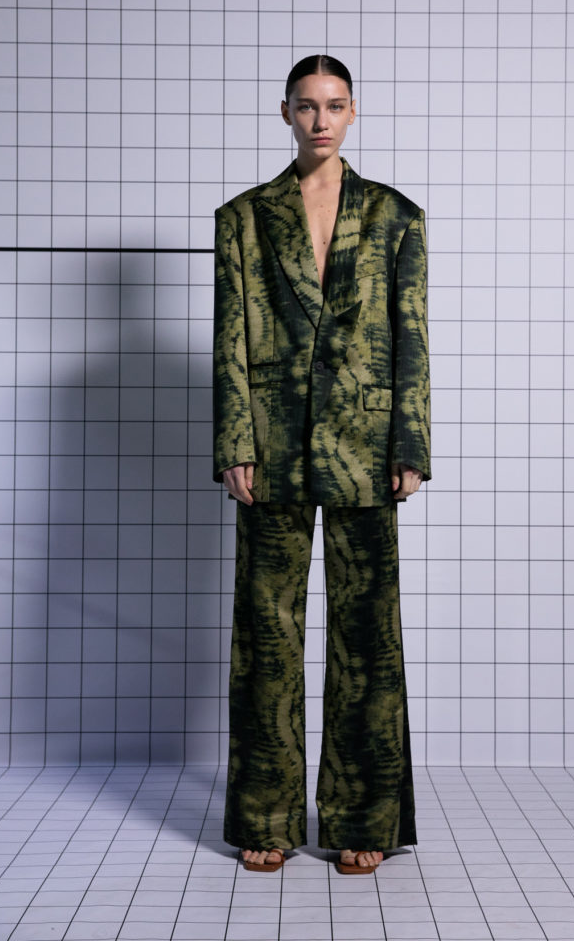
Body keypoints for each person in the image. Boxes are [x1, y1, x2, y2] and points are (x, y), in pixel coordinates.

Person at [212, 55, 430, 874]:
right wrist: (234, 443)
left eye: (334, 106)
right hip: (269, 444)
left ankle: (362, 818)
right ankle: (265, 819)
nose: (320, 121)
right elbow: (229, 339)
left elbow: (411, 335)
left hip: (365, 445)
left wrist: (410, 444)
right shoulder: (244, 217)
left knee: (366, 637)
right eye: (306, 107)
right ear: (285, 114)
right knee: (265, 636)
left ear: (352, 112)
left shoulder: (395, 215)